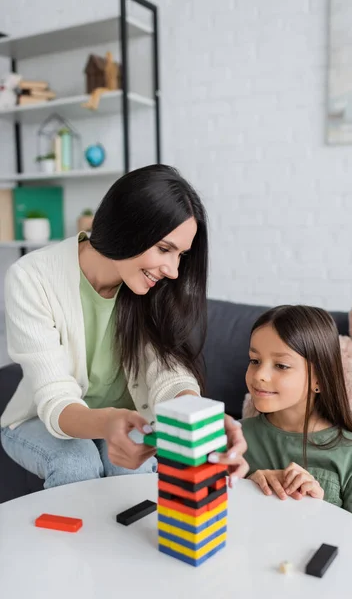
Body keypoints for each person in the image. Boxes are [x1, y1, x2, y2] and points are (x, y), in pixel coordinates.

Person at [1, 164, 248, 489]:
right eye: (164, 249)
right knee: (76, 463)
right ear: (127, 227)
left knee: (133, 475)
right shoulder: (32, 278)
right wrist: (107, 422)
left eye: (181, 255)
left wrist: (202, 420)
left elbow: (169, 374)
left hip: (126, 417)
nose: (173, 270)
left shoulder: (154, 288)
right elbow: (56, 398)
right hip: (43, 420)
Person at [241, 304, 352, 532]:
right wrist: (246, 489)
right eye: (254, 361)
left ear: (319, 379)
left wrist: (319, 513)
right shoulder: (234, 438)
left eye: (281, 365)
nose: (260, 375)